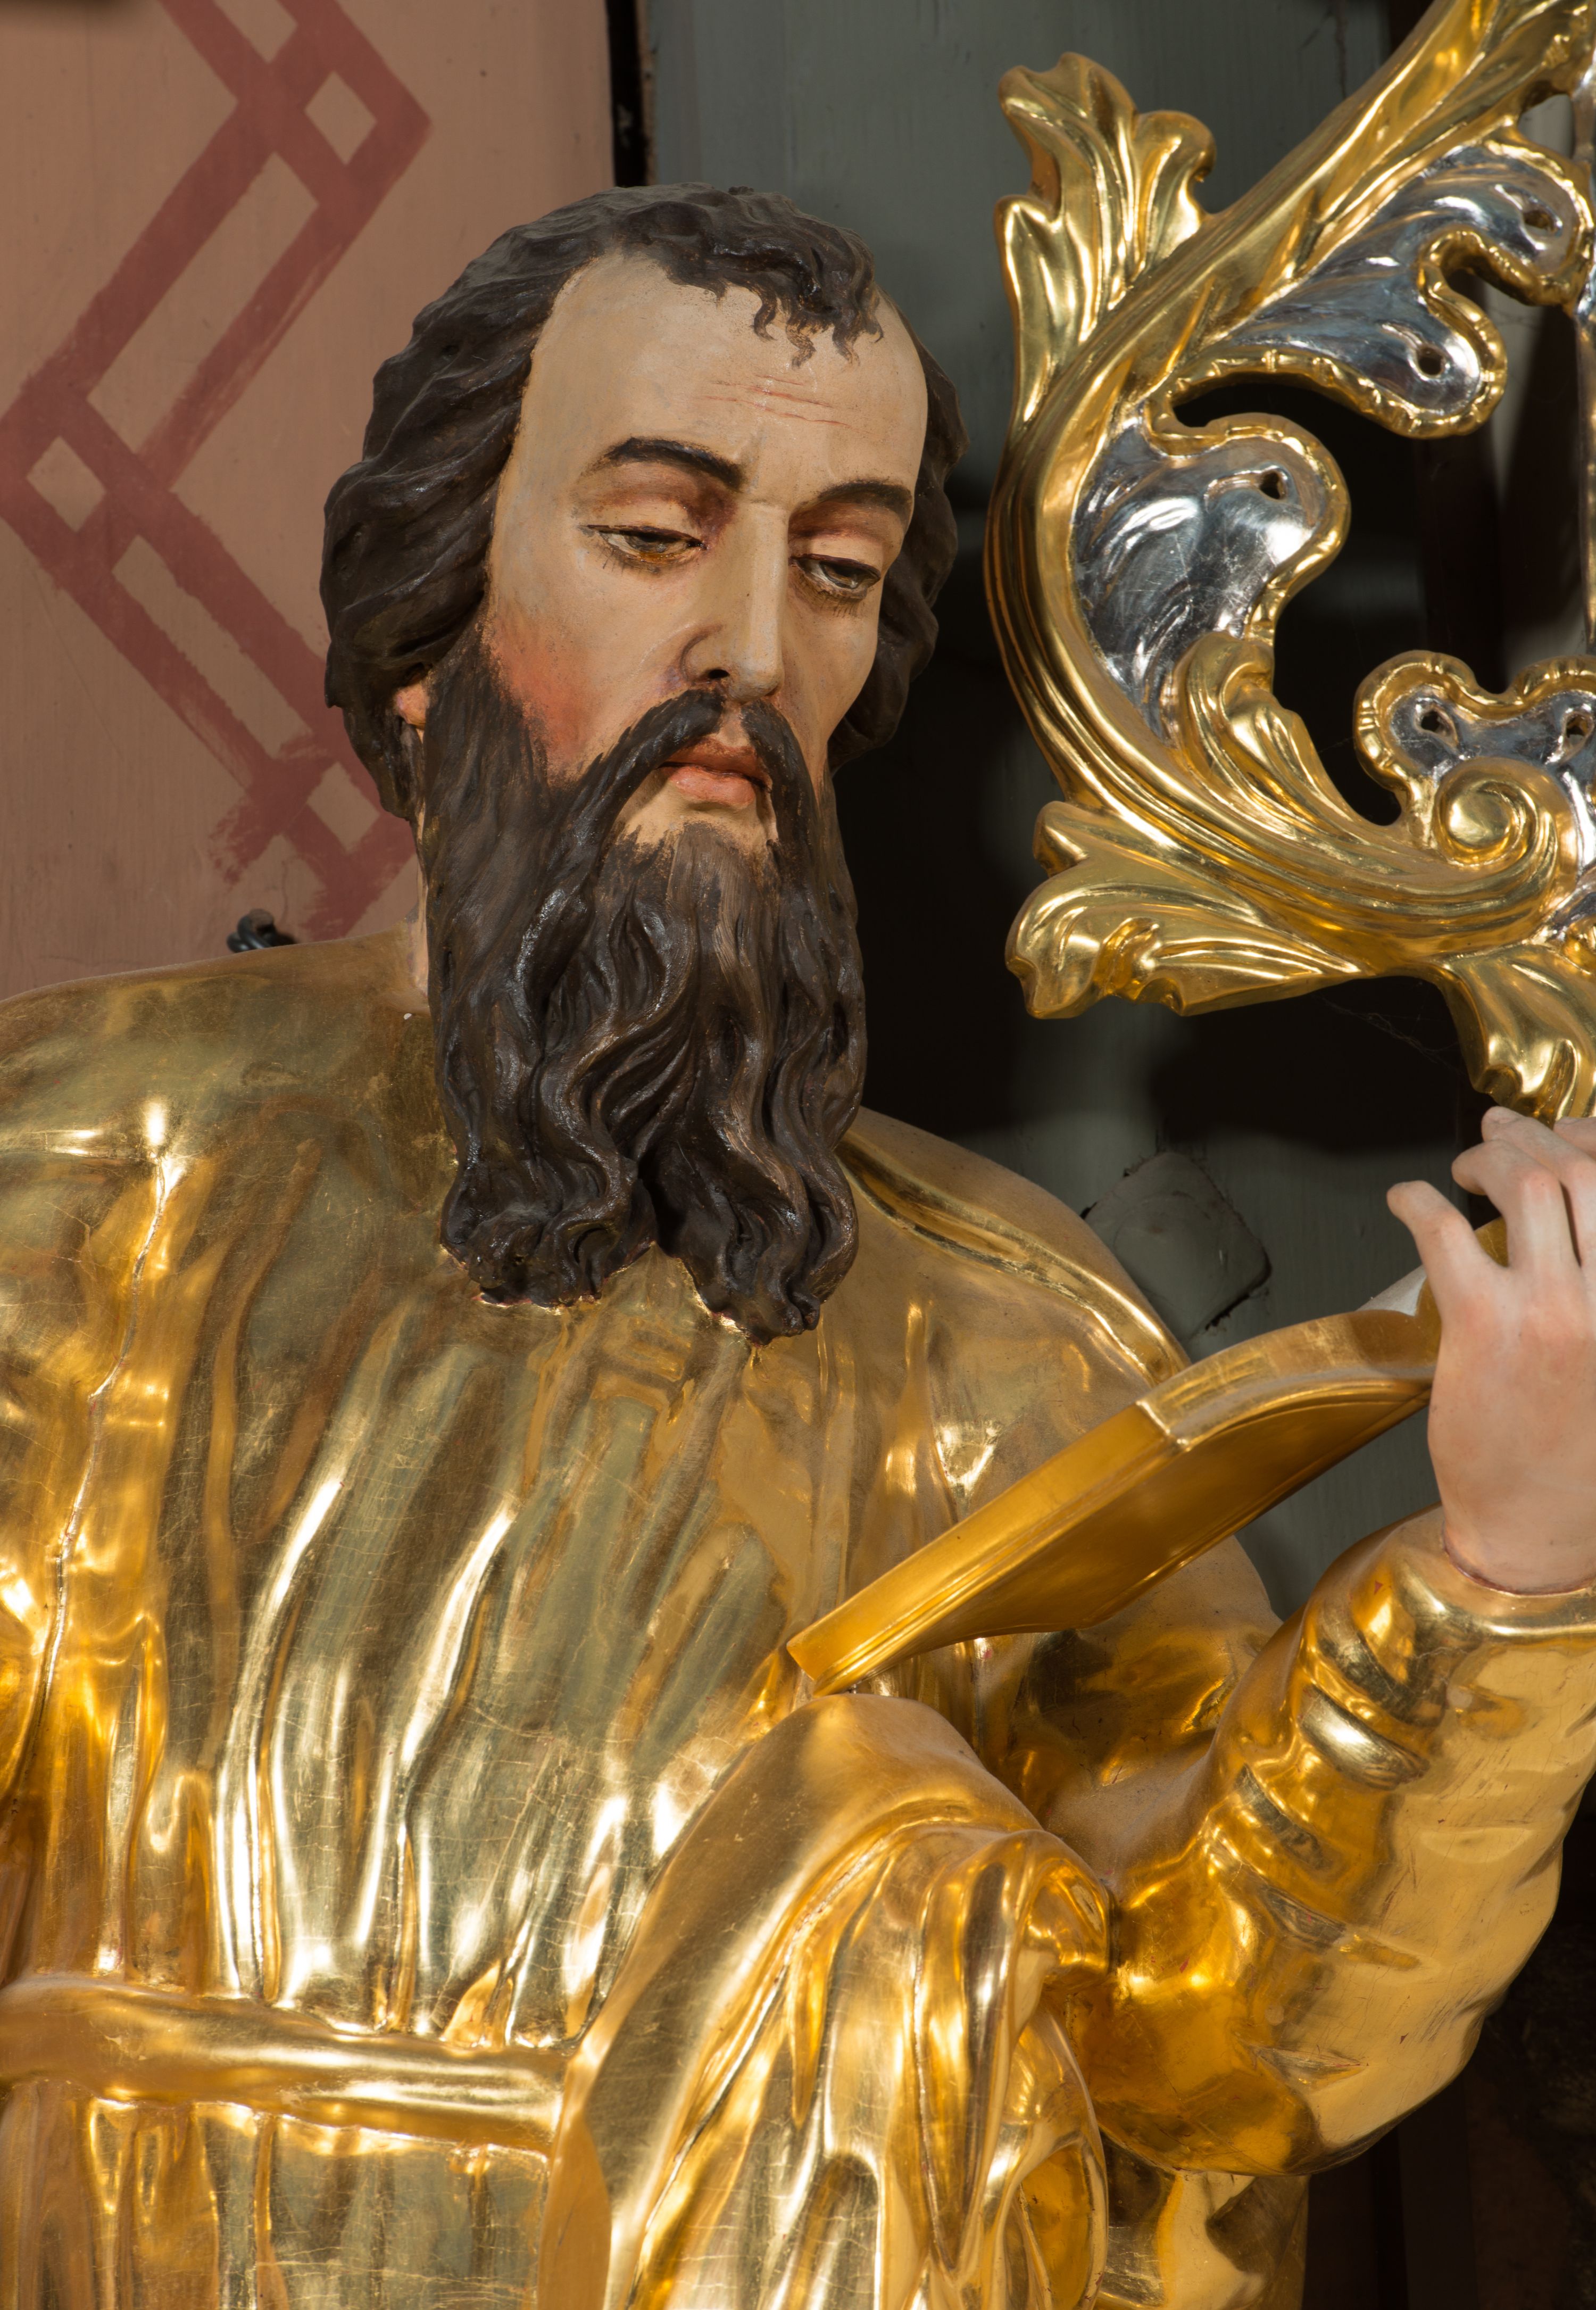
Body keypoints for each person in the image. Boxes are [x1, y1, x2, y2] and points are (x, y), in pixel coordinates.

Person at [0, 184, 1593, 2310]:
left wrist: (1499, 1590)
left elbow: (1214, 2047)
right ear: (427, 621)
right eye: (656, 536)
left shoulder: (1007, 1339)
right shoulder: (80, 1174)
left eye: (835, 572)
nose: (752, 645)